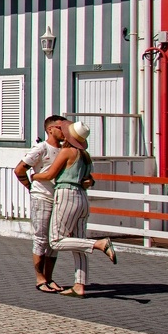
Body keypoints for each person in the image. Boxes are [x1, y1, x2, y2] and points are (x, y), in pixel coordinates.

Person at [32, 120, 117, 298]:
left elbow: (49, 174)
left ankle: (99, 244)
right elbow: (89, 180)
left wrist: (34, 176)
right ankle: (80, 285)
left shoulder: (67, 152)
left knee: (55, 241)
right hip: (82, 197)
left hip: (66, 195)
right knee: (79, 243)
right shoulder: (85, 155)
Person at [14, 115, 67, 293]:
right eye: (60, 127)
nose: (64, 131)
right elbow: (20, 168)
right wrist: (30, 186)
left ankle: (49, 277)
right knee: (41, 238)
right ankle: (40, 278)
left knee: (54, 240)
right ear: (50, 129)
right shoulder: (41, 148)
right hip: (42, 196)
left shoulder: (65, 149)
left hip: (58, 198)